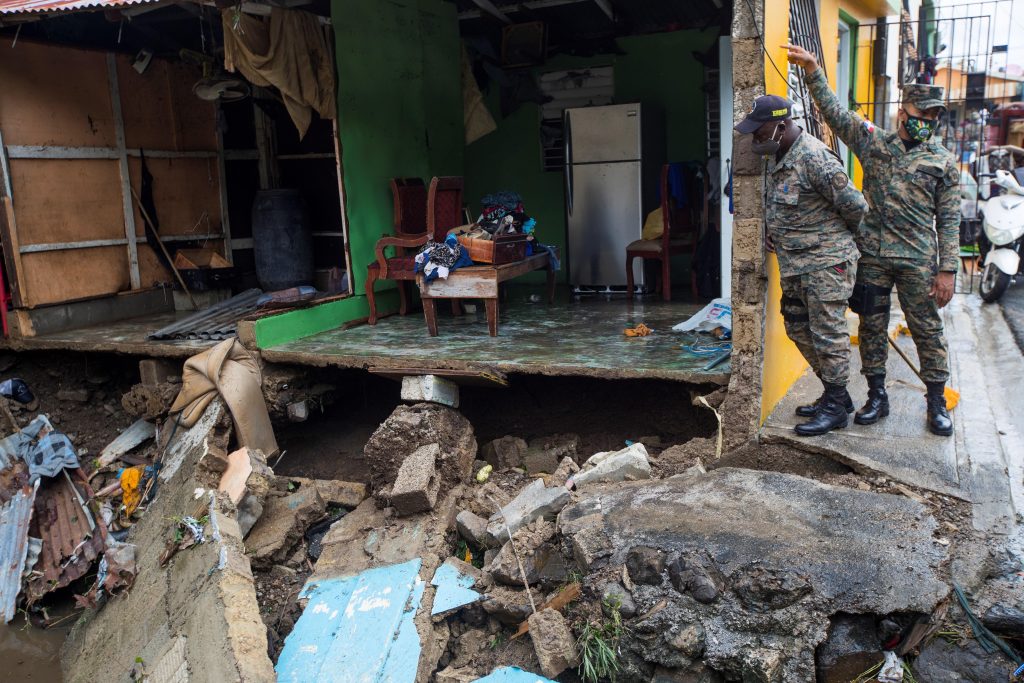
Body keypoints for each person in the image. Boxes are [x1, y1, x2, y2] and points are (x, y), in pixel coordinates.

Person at [784, 43, 959, 437]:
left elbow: (949, 220)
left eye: (934, 116)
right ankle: (877, 396)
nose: (928, 122)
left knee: (927, 329)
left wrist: (947, 270)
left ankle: (936, 401)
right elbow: (835, 113)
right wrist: (812, 70)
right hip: (873, 258)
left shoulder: (943, 162)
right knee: (872, 327)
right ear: (904, 112)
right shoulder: (874, 143)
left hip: (918, 260)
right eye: (923, 115)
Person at [736, 95, 868, 436]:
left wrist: (839, 246)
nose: (755, 139)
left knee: (828, 335)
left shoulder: (814, 157)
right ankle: (836, 394)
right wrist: (775, 231)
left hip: (826, 264)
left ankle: (836, 407)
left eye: (759, 131)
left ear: (781, 126)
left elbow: (856, 208)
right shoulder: (778, 156)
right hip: (796, 264)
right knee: (796, 327)